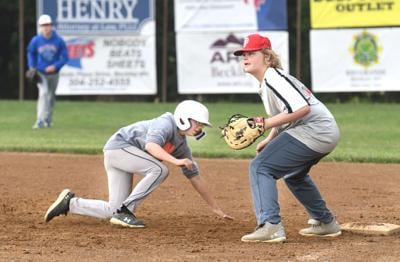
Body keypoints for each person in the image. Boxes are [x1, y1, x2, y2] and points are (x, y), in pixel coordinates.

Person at [44, 100, 233, 227]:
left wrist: (215, 208)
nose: (200, 127)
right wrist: (175, 161)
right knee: (160, 170)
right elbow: (151, 146)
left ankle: (70, 203)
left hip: (123, 156)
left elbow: (195, 176)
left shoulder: (181, 145)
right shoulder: (165, 123)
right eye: (198, 122)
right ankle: (127, 211)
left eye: (201, 124)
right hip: (118, 149)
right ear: (184, 118)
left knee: (113, 210)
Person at [233, 34, 341, 243]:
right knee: (294, 174)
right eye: (243, 54)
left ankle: (270, 225)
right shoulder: (270, 80)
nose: (245, 57)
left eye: (251, 53)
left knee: (261, 167)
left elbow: (301, 108)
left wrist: (263, 124)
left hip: (314, 130)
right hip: (323, 131)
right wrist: (270, 137)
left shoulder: (273, 77)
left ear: (267, 57)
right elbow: (285, 114)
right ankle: (326, 222)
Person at [27, 14, 68, 129]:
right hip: (41, 72)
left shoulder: (58, 40)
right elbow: (30, 53)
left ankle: (48, 118)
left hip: (54, 73)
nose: (46, 27)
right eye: (43, 25)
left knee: (51, 96)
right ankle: (39, 120)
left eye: (47, 25)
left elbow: (65, 57)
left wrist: (56, 66)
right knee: (43, 93)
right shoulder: (36, 40)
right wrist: (32, 67)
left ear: (51, 26)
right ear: (40, 27)